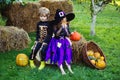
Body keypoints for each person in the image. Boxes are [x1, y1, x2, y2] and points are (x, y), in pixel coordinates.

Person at [45, 9, 75, 75]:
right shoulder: (55, 25)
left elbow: (67, 35)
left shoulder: (66, 25)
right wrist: (61, 28)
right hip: (56, 41)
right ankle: (61, 69)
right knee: (60, 52)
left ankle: (69, 67)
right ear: (59, 20)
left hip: (64, 40)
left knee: (68, 51)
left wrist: (66, 29)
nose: (64, 20)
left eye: (64, 18)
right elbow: (56, 34)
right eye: (62, 19)